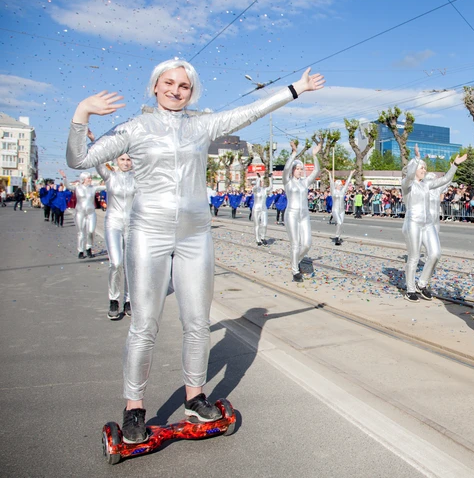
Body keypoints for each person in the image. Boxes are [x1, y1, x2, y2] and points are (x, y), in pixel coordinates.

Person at [66, 58, 324, 444]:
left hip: (195, 234)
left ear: (192, 91)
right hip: (148, 232)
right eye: (168, 83)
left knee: (197, 322)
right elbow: (78, 160)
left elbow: (249, 111)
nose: (175, 90)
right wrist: (81, 113)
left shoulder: (202, 125)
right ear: (155, 86)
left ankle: (195, 397)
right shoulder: (134, 127)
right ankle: (134, 408)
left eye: (183, 86)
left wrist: (295, 89)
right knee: (144, 325)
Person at [402, 145, 464, 301]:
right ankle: (410, 289)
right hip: (413, 223)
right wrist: (416, 158)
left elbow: (445, 180)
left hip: (428, 224)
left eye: (425, 168)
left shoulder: (426, 185)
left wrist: (455, 165)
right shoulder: (407, 184)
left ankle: (422, 284)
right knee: (414, 257)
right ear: (414, 168)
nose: (424, 170)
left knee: (435, 254)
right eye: (421, 168)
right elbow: (409, 176)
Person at [96, 148, 136, 321]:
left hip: (132, 224)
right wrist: (92, 140)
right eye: (122, 159)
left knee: (130, 264)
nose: (126, 162)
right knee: (116, 262)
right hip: (113, 223)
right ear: (116, 161)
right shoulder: (109, 176)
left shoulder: (138, 178)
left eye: (128, 159)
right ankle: (114, 299)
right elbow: (96, 158)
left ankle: (128, 300)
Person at [283, 140, 321, 282]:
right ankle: (295, 271)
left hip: (304, 215)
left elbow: (316, 171)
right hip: (292, 214)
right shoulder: (287, 182)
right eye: (297, 168)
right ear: (293, 170)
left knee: (307, 244)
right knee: (295, 243)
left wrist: (314, 155)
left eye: (301, 168)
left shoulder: (304, 182)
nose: (299, 171)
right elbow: (286, 169)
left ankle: (295, 261)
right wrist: (293, 153)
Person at [60, 169, 104, 258]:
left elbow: (105, 187)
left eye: (90, 178)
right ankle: (80, 251)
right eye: (88, 178)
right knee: (81, 233)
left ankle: (89, 248)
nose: (90, 180)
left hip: (91, 213)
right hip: (80, 213)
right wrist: (64, 177)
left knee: (91, 231)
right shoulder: (77, 187)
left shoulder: (93, 188)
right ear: (83, 179)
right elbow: (68, 186)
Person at [330, 169, 354, 245]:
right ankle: (337, 237)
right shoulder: (333, 191)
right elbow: (331, 184)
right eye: (339, 185)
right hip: (335, 209)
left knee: (341, 224)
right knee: (339, 222)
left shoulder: (342, 191)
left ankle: (339, 237)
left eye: (341, 185)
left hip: (342, 210)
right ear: (336, 185)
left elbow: (347, 183)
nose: (341, 186)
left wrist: (351, 174)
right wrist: (329, 175)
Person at [251, 174, 273, 246]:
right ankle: (257, 239)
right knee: (257, 225)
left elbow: (270, 187)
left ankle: (263, 237)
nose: (262, 183)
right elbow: (257, 186)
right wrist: (258, 178)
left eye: (263, 181)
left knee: (264, 224)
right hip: (256, 208)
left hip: (263, 208)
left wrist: (270, 178)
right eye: (261, 181)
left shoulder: (265, 189)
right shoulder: (255, 189)